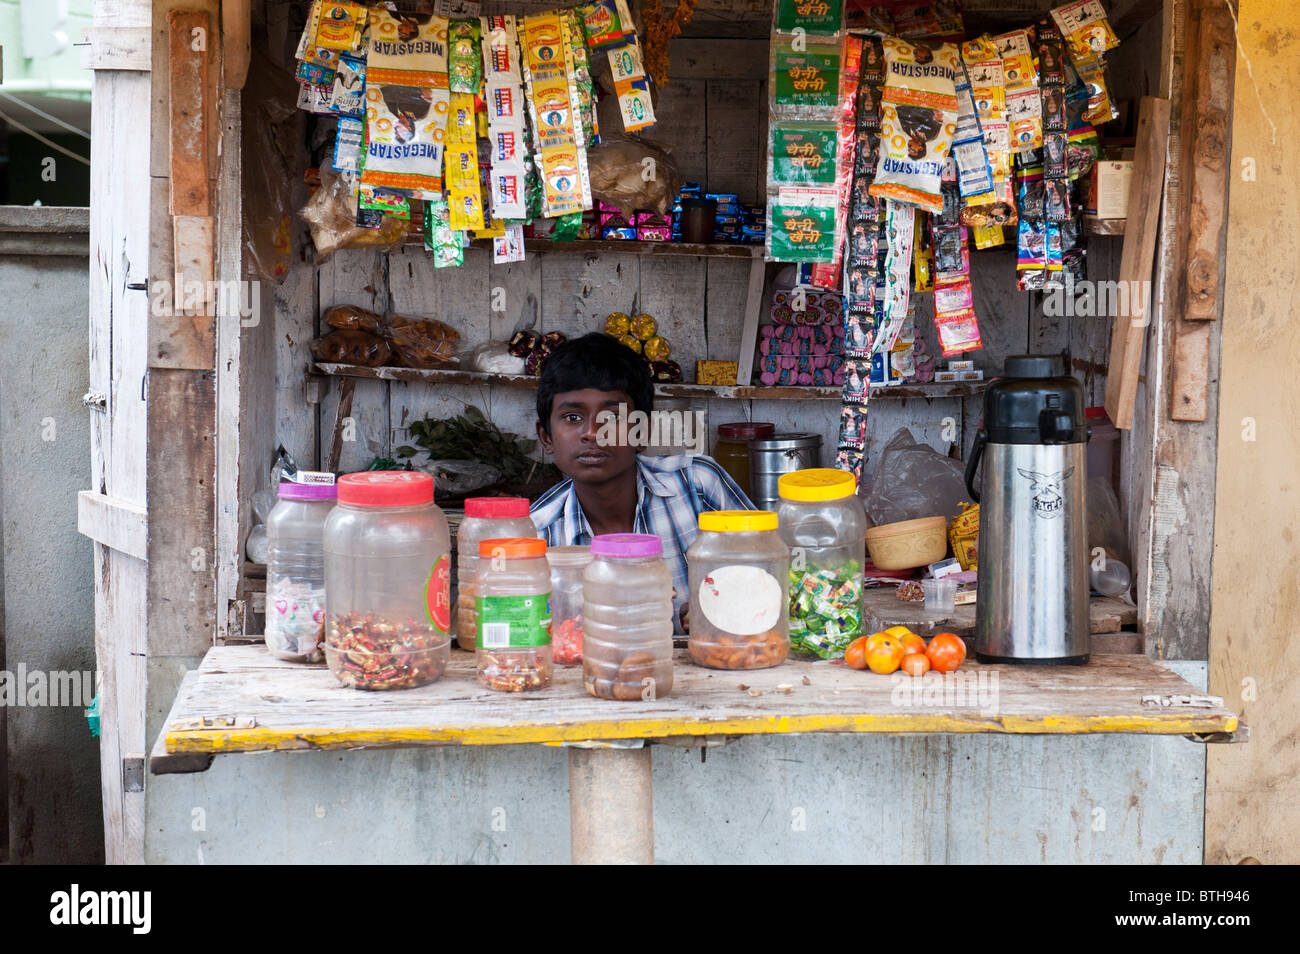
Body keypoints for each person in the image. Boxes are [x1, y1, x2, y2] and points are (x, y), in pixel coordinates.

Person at [530, 334, 754, 631]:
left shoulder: (698, 485)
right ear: (546, 437)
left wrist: (717, 608)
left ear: (642, 433)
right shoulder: (537, 534)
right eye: (572, 417)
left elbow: (770, 574)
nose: (593, 433)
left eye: (613, 417)